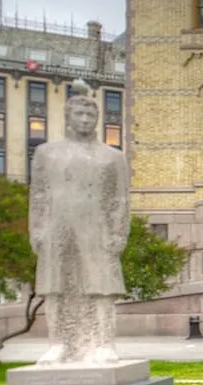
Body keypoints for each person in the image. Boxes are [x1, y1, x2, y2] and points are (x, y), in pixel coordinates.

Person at [30, 82, 131, 365]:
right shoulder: (47, 153)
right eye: (80, 115)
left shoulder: (112, 157)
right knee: (55, 286)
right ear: (69, 117)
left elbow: (120, 199)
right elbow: (38, 194)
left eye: (91, 116)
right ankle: (58, 343)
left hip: (96, 228)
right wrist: (36, 229)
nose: (86, 120)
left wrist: (118, 233)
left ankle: (103, 343)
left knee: (101, 286)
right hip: (57, 226)